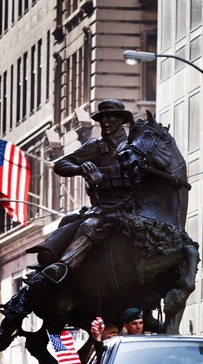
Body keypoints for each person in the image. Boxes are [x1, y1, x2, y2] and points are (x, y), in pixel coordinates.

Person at [42, 99, 134, 283]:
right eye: (102, 118)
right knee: (89, 226)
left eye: (110, 117)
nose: (105, 122)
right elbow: (61, 164)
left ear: (120, 119)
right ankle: (64, 266)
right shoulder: (95, 147)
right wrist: (81, 168)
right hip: (106, 208)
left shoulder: (137, 145)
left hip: (136, 206)